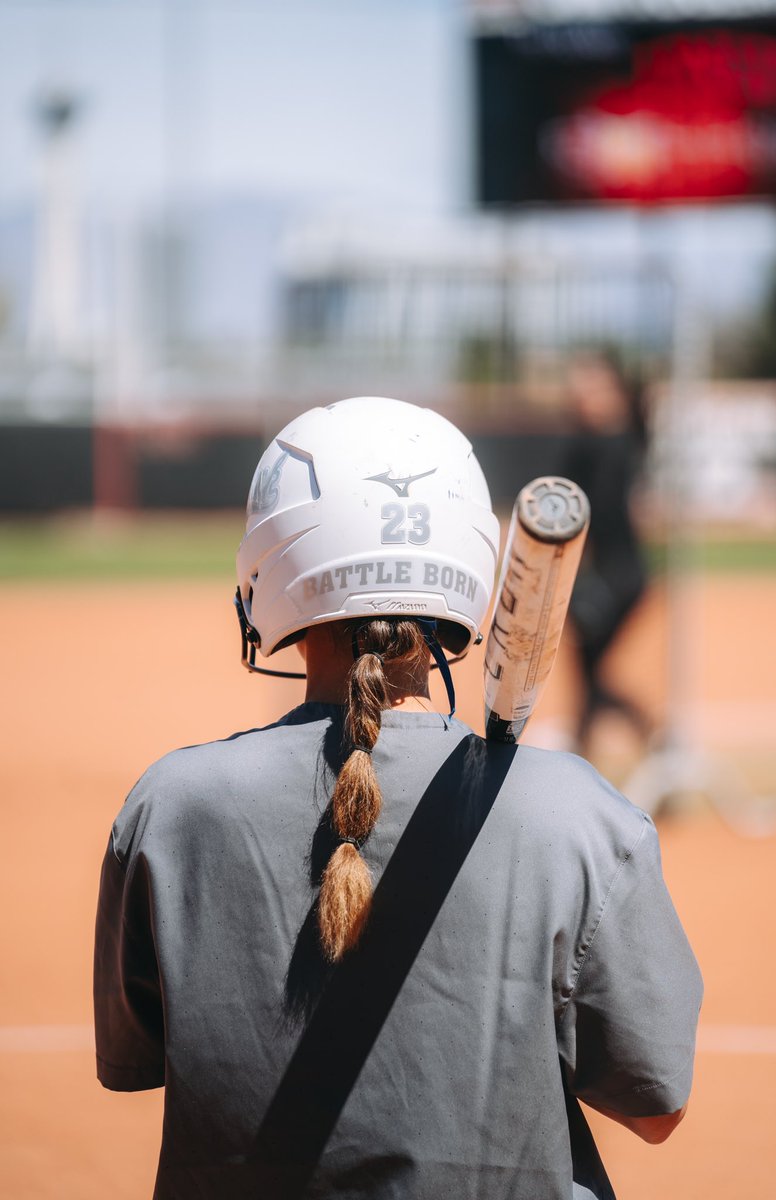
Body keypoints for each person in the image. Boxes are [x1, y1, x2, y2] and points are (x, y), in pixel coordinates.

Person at [94, 396, 702, 1200]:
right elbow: (655, 1102)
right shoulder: (577, 815)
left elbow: (137, 1057)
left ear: (269, 576)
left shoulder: (169, 808)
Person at [561, 350, 653, 753]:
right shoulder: (583, 445)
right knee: (587, 668)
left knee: (591, 671)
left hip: (621, 578)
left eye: (593, 387)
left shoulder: (620, 441)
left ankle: (645, 731)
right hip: (599, 576)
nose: (582, 395)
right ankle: (588, 744)